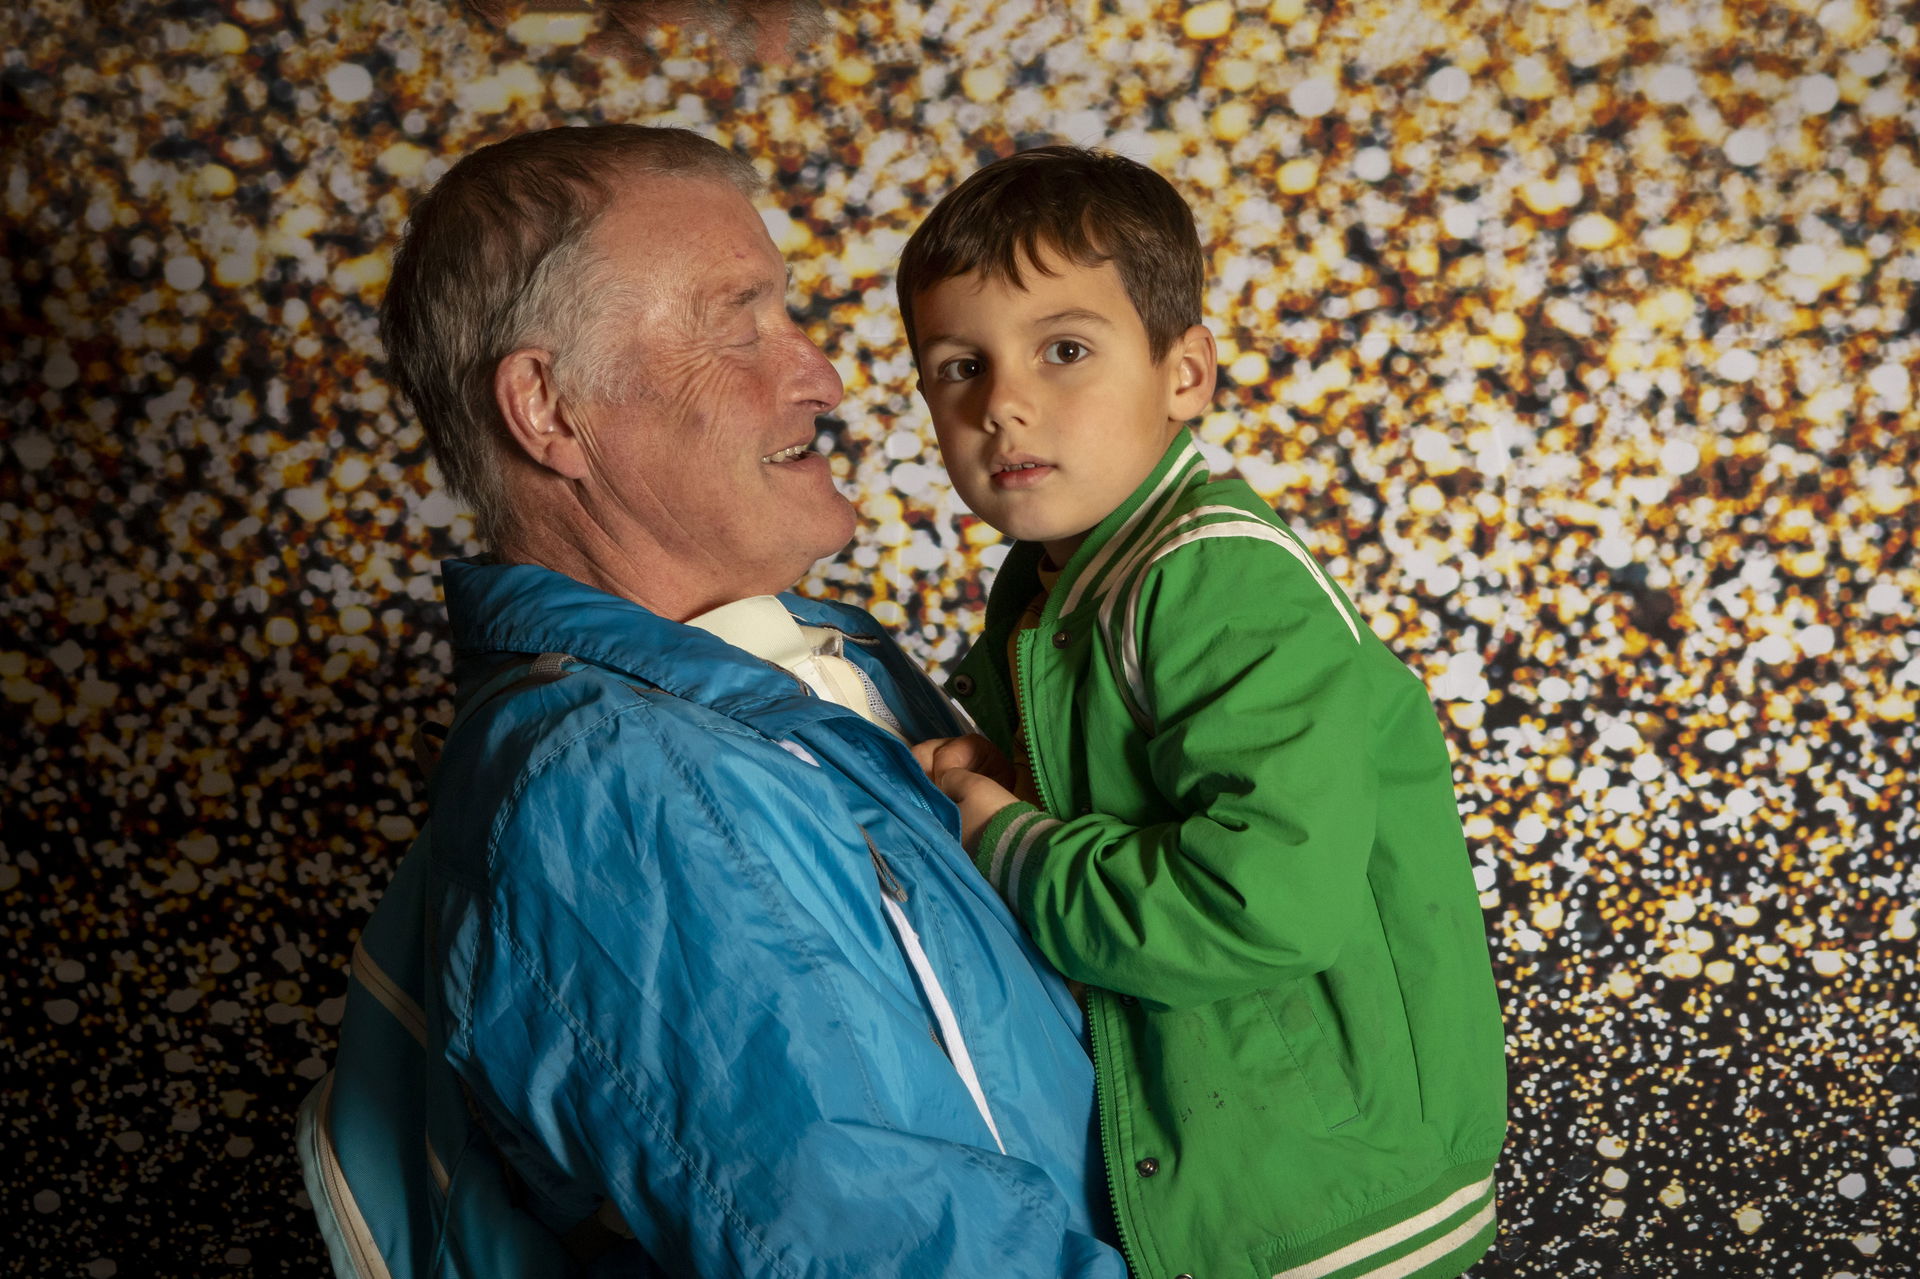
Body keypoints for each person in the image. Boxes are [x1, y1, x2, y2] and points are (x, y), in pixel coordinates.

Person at [306, 124, 1129, 1278]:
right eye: (738, 320)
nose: (823, 376)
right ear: (548, 410)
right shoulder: (623, 783)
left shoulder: (800, 672)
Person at [897, 146, 1509, 1279]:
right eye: (956, 367)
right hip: (1226, 1170)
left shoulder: (1215, 576)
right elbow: (1148, 796)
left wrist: (1010, 841)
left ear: (1186, 375)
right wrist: (1028, 782)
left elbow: (1260, 898)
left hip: (1331, 1191)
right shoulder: (1053, 581)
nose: (1005, 404)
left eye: (1064, 349)